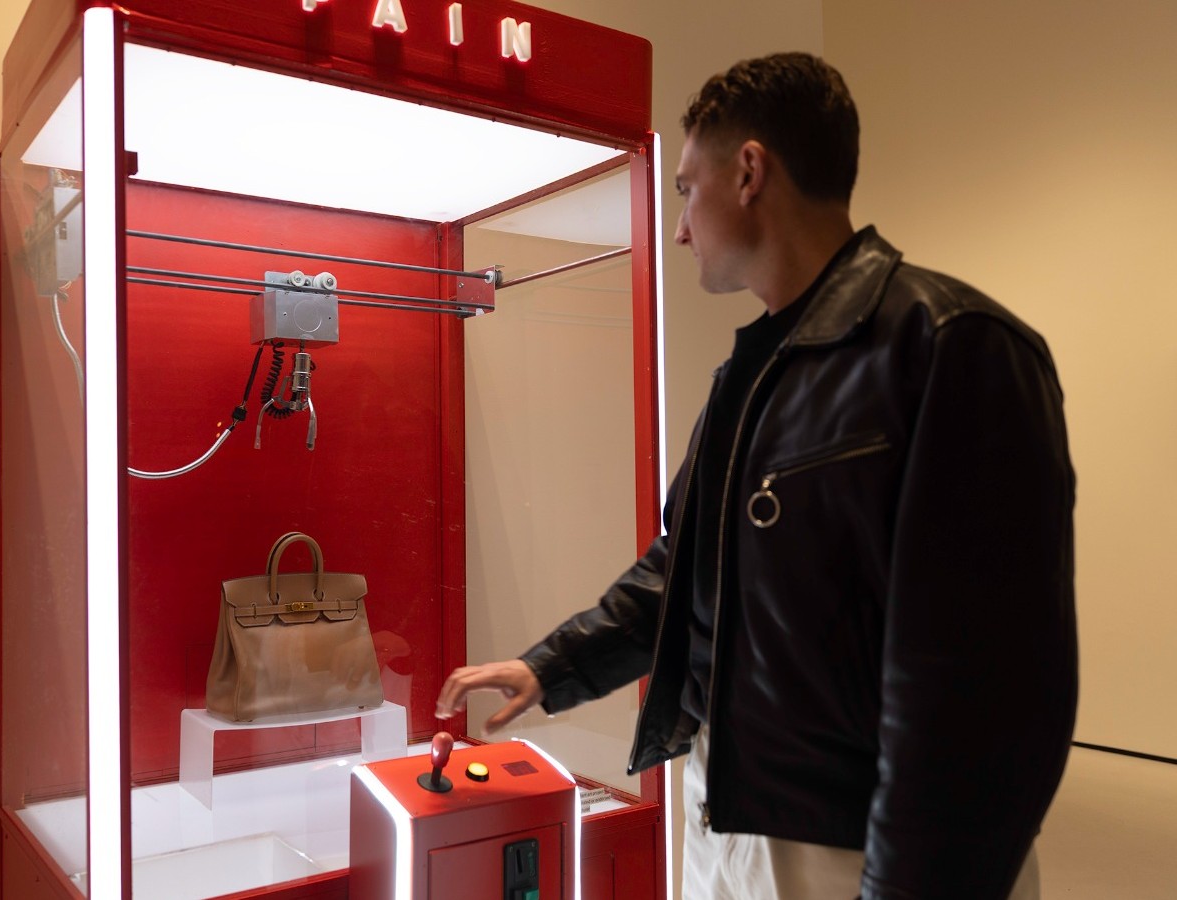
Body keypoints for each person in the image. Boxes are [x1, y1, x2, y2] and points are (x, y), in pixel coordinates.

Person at [435, 52, 1075, 900]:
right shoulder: (748, 377)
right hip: (730, 811)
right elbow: (684, 571)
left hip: (856, 845)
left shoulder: (954, 347)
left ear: (748, 172)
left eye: (685, 190)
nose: (678, 229)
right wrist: (550, 667)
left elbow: (988, 689)